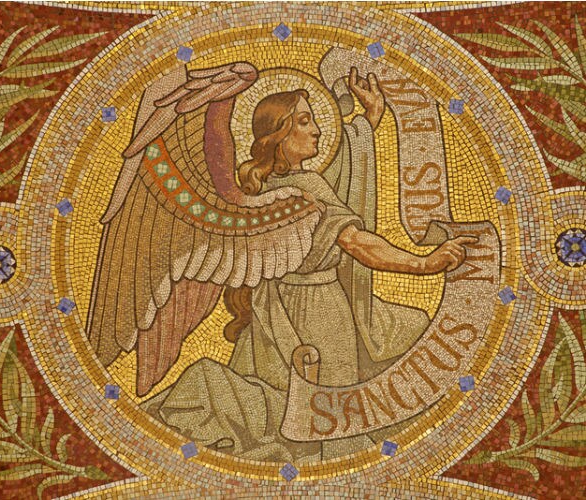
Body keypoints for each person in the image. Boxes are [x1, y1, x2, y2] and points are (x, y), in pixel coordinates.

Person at [144, 71, 475, 462]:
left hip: (272, 313)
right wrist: (424, 263)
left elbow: (340, 172)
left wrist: (367, 121)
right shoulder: (305, 189)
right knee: (329, 401)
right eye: (304, 121)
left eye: (314, 119)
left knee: (306, 387)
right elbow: (355, 241)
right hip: (317, 313)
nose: (317, 129)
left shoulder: (266, 189)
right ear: (278, 135)